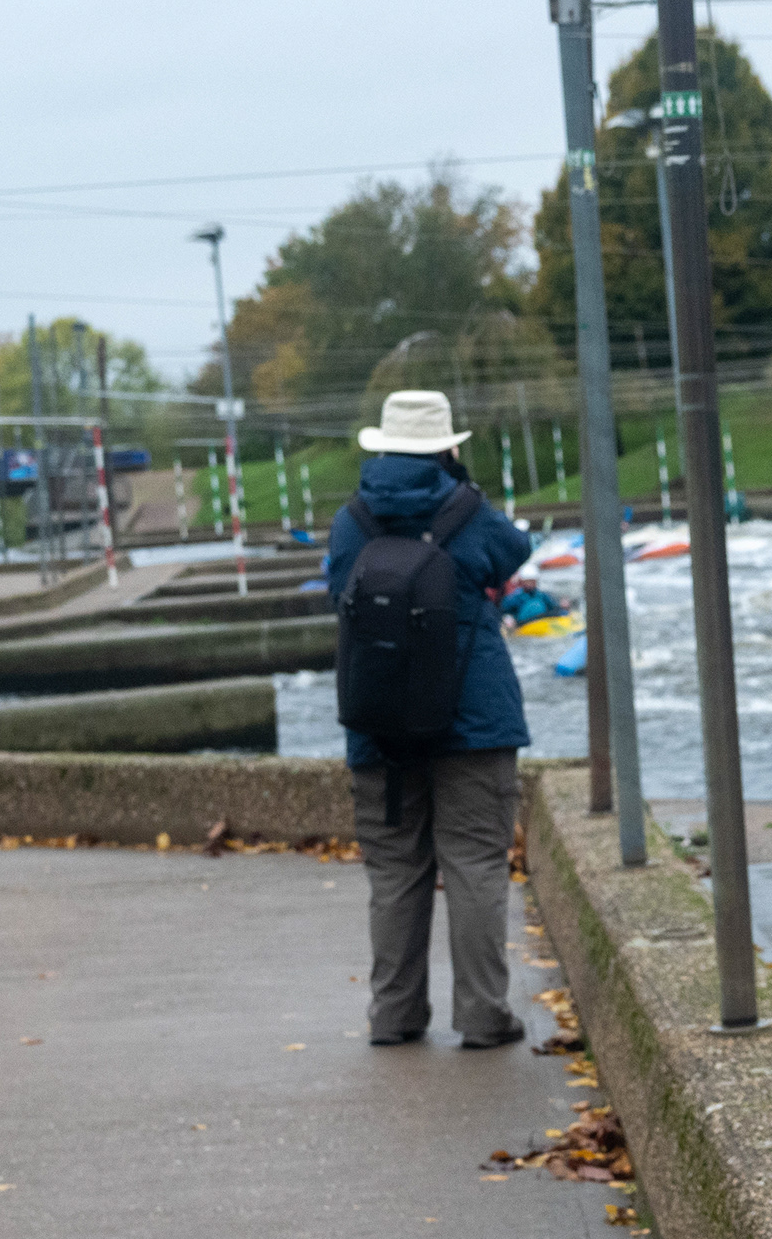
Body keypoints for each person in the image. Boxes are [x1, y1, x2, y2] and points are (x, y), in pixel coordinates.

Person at [326, 390, 533, 1050]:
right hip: (475, 720)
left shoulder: (352, 520)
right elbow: (514, 551)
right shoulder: (468, 512)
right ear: (447, 447)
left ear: (382, 446)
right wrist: (465, 491)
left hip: (379, 723)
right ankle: (483, 1015)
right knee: (474, 864)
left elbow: (337, 589)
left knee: (394, 871)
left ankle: (394, 1013)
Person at [499, 564, 566, 631]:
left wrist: (562, 607)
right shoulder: (514, 597)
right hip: (523, 626)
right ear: (522, 581)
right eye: (527, 581)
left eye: (532, 581)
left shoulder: (542, 595)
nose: (530, 583)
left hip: (543, 623)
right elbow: (504, 611)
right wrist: (508, 618)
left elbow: (554, 607)